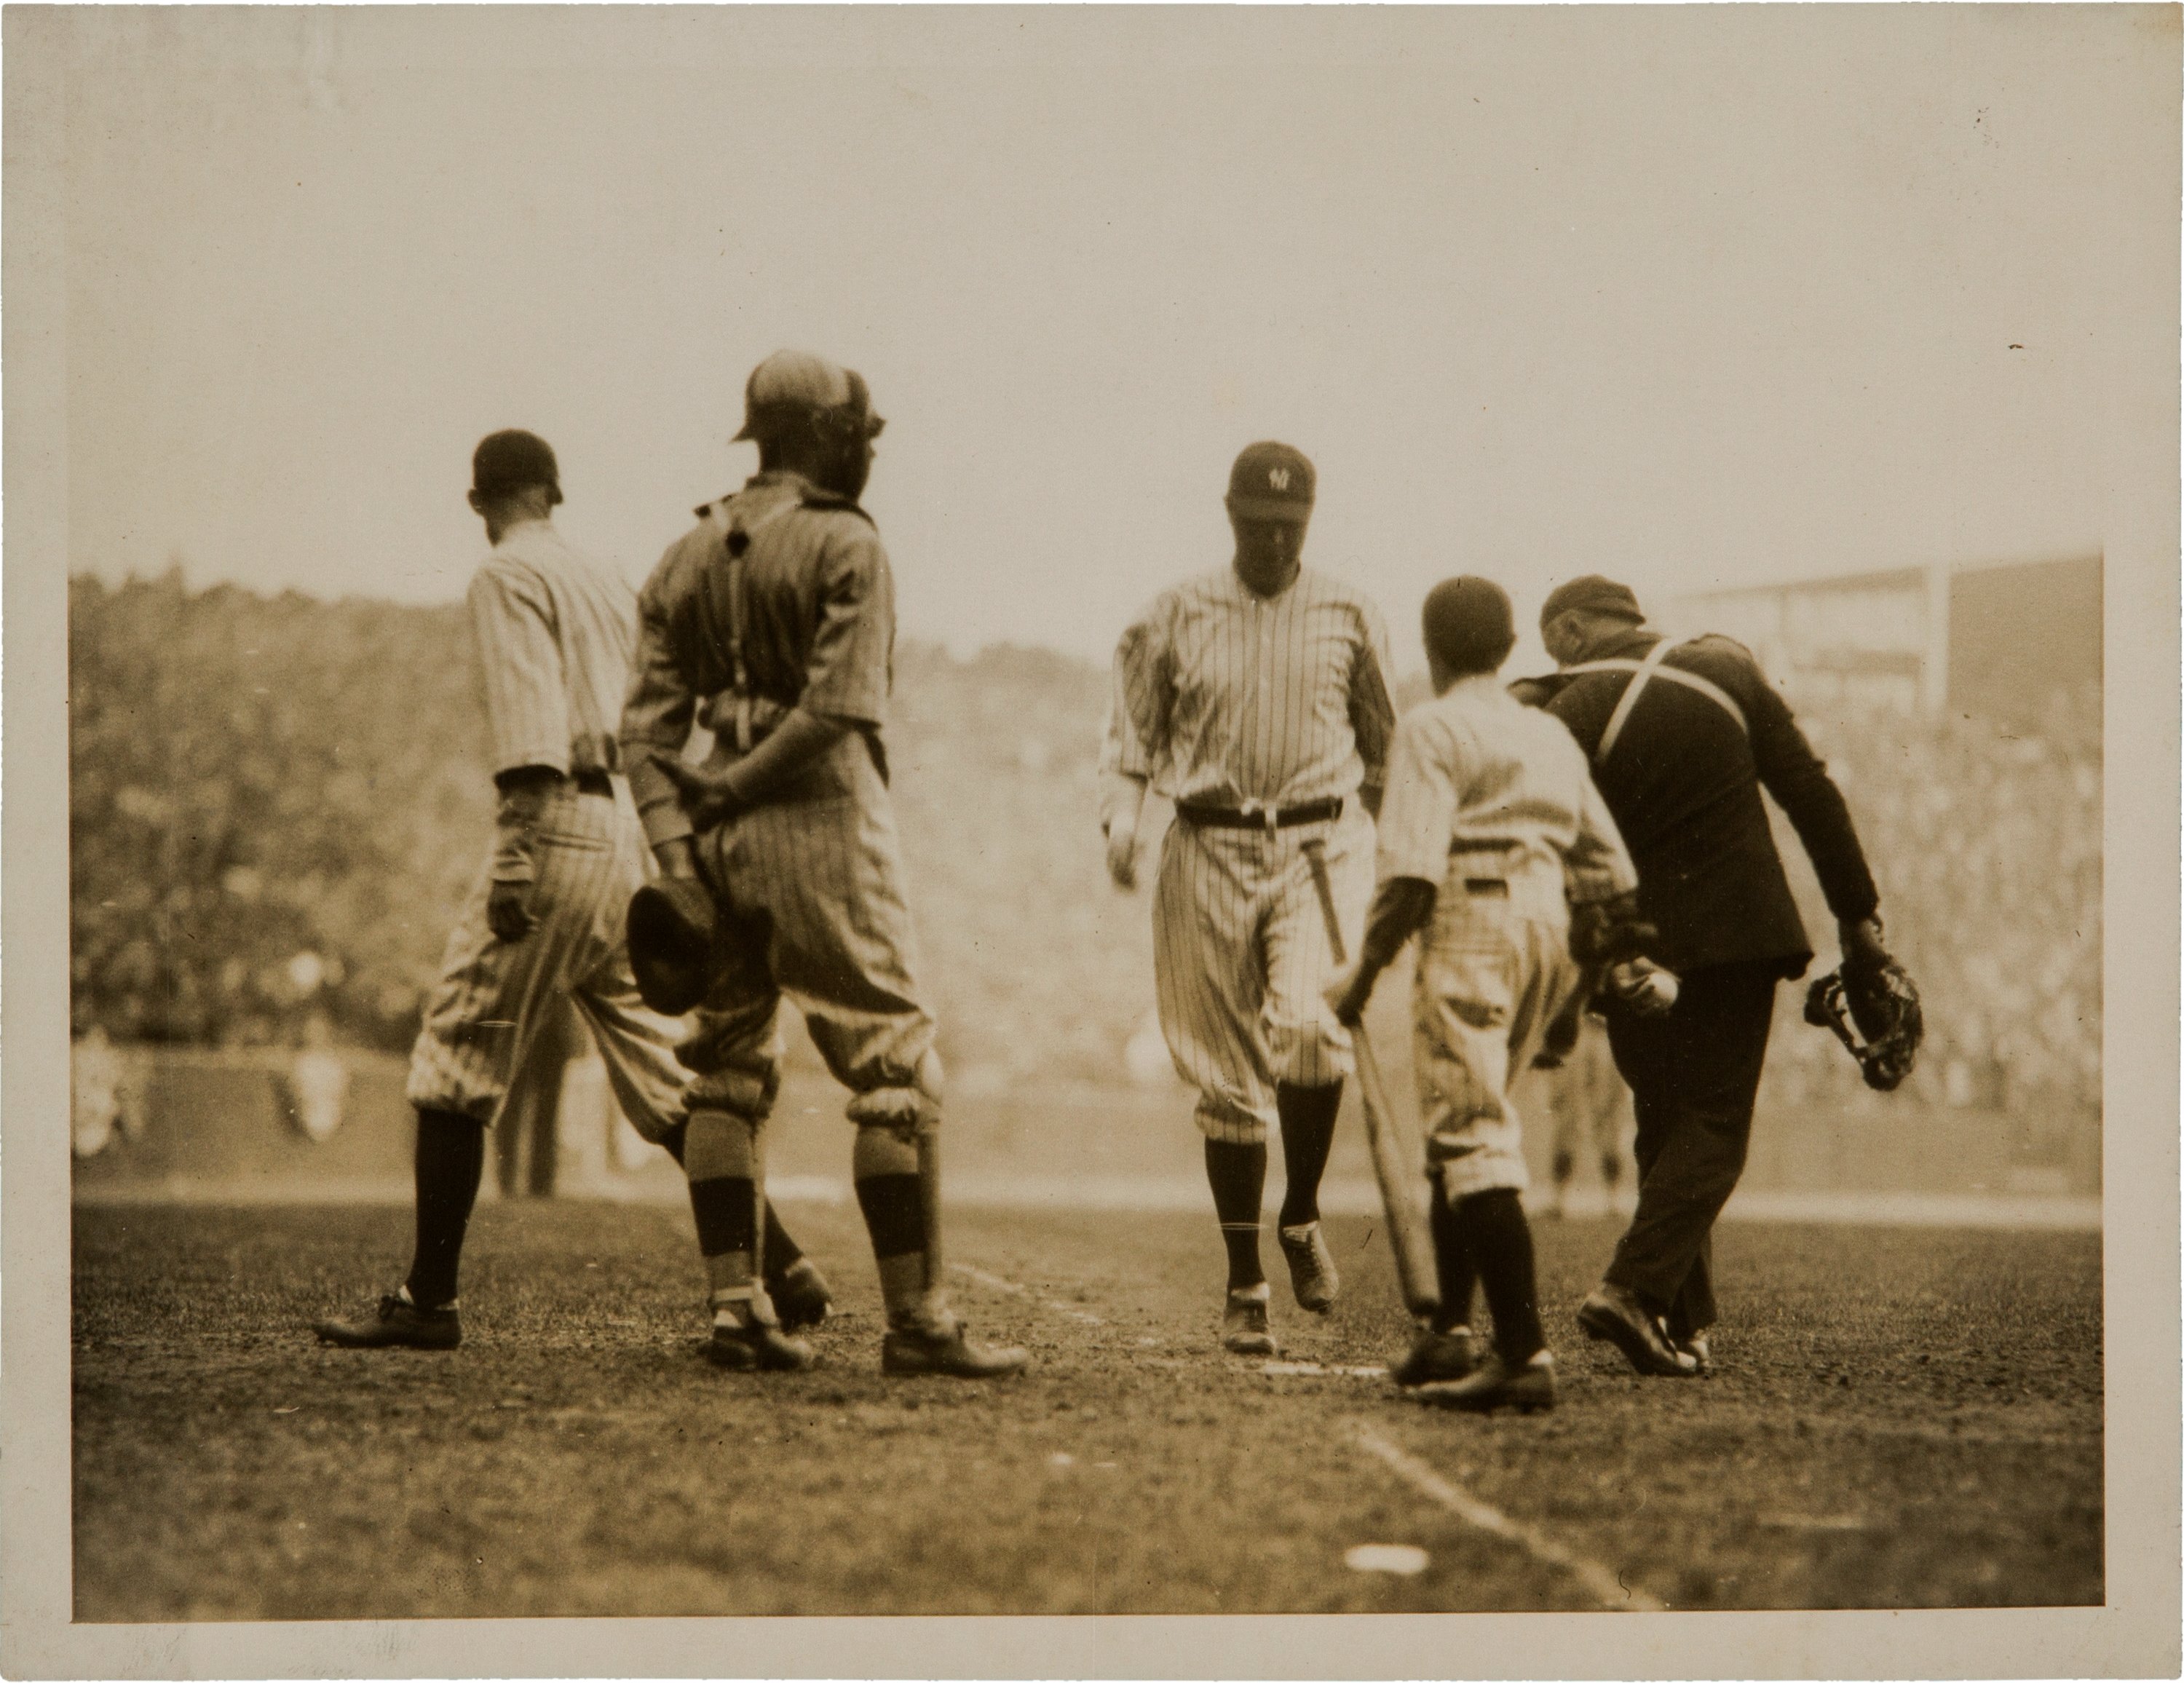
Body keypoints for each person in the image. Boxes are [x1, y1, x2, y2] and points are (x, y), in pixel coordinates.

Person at [314, 431, 828, 1352]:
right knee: (669, 1074)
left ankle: (428, 1300)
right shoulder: (605, 571)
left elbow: (527, 721)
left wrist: (515, 853)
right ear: (556, 491)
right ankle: (781, 1263)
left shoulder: (505, 573)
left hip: (552, 821)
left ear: (480, 503)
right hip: (627, 830)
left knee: (453, 1054)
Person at [619, 350, 1026, 1379]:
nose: (864, 452)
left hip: (714, 834)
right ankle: (919, 1324)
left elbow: (645, 733)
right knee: (893, 1066)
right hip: (823, 818)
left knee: (725, 1063)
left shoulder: (684, 553)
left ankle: (735, 1309)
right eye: (857, 435)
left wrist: (682, 848)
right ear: (825, 436)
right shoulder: (847, 542)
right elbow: (841, 707)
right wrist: (745, 784)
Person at [1533, 575, 1892, 1378]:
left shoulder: (1566, 705)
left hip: (1633, 941)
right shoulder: (1725, 666)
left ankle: (1681, 1322)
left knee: (1665, 1122)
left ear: (1581, 627)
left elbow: (1536, 828)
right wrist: (1857, 916)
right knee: (1714, 1123)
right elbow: (1808, 791)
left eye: (1555, 636)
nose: (1551, 653)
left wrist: (1573, 949)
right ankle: (1633, 1289)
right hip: (1737, 930)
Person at [1101, 441, 1397, 1357]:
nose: (1273, 543)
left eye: (1289, 527)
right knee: (1227, 1078)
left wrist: (1382, 849)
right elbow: (1133, 738)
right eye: (1257, 525)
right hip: (1207, 837)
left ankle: (1300, 1212)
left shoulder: (1349, 609)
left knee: (1313, 1025)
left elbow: (1383, 747)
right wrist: (1122, 821)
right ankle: (1244, 1284)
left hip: (1319, 839)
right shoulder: (1174, 611)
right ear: (1229, 516)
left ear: (1309, 523)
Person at [1324, 577, 1645, 1412]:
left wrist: (1359, 978)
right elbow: (1612, 882)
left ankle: (1522, 1350)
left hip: (1474, 920)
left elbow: (1410, 879)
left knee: (1469, 1133)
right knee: (1460, 1125)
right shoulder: (1545, 732)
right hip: (1549, 927)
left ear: (1432, 653)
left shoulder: (1431, 725)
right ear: (1509, 650)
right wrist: (1572, 1000)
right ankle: (1448, 1334)